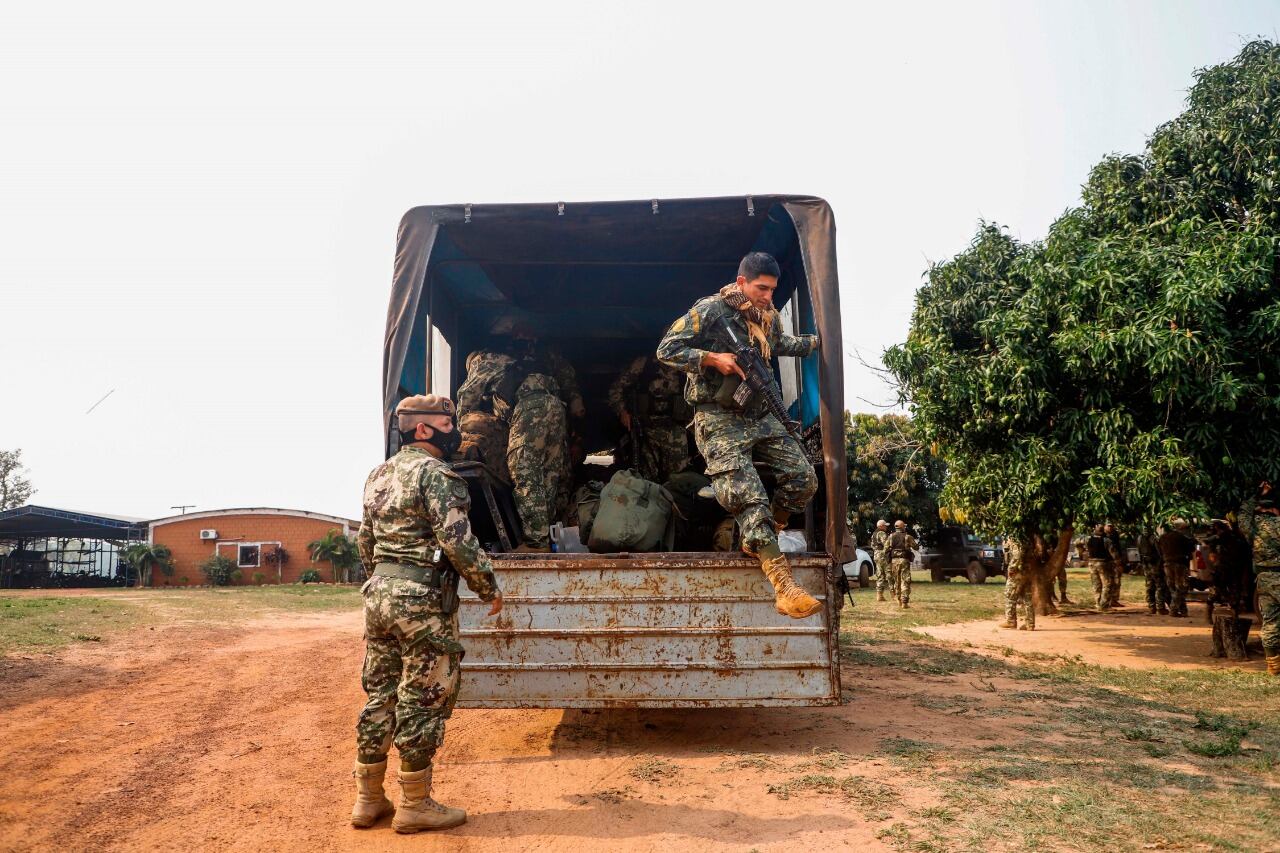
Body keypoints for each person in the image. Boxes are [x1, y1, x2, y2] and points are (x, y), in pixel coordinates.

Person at [352, 394, 504, 833]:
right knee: (424, 696)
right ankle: (414, 804)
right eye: (448, 421)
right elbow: (457, 541)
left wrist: (383, 584)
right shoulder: (438, 475)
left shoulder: (378, 475)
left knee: (381, 695)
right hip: (421, 600)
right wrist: (486, 586)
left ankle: (368, 799)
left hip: (379, 594)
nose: (455, 429)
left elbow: (365, 541)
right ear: (423, 430)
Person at [656, 251, 821, 618]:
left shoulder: (765, 316)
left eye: (772, 289)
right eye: (761, 288)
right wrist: (715, 359)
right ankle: (784, 585)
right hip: (718, 418)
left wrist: (816, 342)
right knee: (749, 496)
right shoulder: (712, 310)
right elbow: (667, 349)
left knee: (803, 479)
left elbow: (779, 344)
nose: (767, 296)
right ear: (742, 282)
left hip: (760, 413)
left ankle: (759, 536)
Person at [607, 354, 692, 484]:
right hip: (646, 429)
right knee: (647, 479)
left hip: (676, 430)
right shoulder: (643, 364)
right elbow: (616, 388)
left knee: (678, 479)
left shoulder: (686, 364)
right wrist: (622, 412)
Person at [1241, 484, 1280, 676]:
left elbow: (1243, 516)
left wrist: (1254, 494)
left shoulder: (1253, 528)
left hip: (1264, 580)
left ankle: (1273, 665)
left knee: (1270, 622)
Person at [1157, 519, 1196, 618]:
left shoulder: (1162, 538)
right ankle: (1174, 609)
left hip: (1167, 564)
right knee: (1181, 588)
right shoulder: (1181, 537)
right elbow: (1191, 549)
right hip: (1179, 564)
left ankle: (1183, 610)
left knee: (1173, 588)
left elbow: (1159, 552)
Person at [885, 520, 918, 609]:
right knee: (905, 580)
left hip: (894, 561)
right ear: (903, 527)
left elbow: (885, 549)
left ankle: (898, 599)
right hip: (904, 560)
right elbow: (916, 547)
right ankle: (904, 602)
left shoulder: (890, 536)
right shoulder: (908, 537)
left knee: (897, 580)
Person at [1137, 528, 1169, 615]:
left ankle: (1151, 607)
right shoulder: (1154, 538)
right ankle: (1160, 608)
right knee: (1159, 586)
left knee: (1149, 587)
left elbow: (1139, 551)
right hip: (1155, 565)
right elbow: (1159, 552)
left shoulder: (1140, 538)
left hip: (1146, 565)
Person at [1085, 524, 1115, 610]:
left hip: (1091, 563)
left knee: (1096, 584)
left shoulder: (1088, 539)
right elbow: (1113, 553)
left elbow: (1083, 546)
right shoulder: (1106, 540)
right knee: (1107, 584)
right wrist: (1117, 563)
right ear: (1103, 531)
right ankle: (1104, 605)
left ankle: (1097, 603)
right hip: (1102, 563)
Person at [1103, 523, 1125, 607]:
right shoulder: (1102, 535)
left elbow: (1118, 548)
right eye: (1108, 526)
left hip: (1115, 561)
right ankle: (1105, 600)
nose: (1110, 527)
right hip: (1106, 561)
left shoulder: (1115, 535)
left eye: (1111, 526)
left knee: (1117, 581)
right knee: (1107, 582)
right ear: (1104, 526)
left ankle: (1114, 600)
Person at [869, 519, 891, 602]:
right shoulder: (881, 533)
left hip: (876, 554)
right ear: (881, 526)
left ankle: (879, 595)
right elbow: (886, 544)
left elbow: (872, 545)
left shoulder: (874, 534)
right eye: (885, 525)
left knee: (880, 574)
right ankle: (893, 594)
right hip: (882, 555)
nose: (886, 527)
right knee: (889, 573)